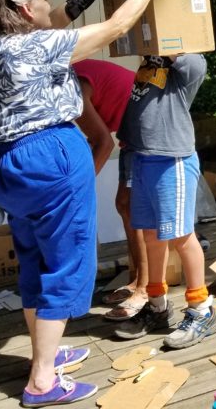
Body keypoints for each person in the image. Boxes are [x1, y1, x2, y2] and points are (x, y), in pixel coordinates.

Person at [0, 0, 172, 406]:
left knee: (35, 259)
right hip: (48, 159)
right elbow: (118, 26)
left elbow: (58, 22)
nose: (49, 4)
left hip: (2, 164)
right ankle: (42, 381)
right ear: (24, 8)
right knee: (66, 264)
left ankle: (44, 352)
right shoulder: (39, 45)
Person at [113, 49, 216, 349]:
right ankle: (157, 305)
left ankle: (201, 310)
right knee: (149, 236)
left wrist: (168, 43)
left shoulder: (188, 65)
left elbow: (197, 63)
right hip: (142, 159)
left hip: (171, 162)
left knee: (182, 237)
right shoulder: (149, 64)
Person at [73, 59, 149, 321]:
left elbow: (103, 143)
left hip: (146, 120)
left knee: (133, 208)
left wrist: (78, 192)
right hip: (132, 127)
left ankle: (144, 288)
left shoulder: (72, 92)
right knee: (124, 204)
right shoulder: (63, 87)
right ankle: (134, 280)